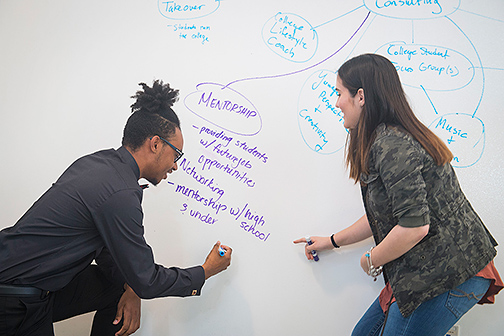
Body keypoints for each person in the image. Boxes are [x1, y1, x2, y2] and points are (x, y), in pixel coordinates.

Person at [0, 80, 232, 336]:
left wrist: (130, 286)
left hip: (28, 284)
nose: (175, 166)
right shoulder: (121, 193)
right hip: (14, 299)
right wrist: (205, 272)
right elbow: (147, 280)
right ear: (155, 144)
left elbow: (109, 249)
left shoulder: (99, 164)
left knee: (118, 286)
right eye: (176, 154)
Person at [294, 54, 502, 336]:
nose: (336, 102)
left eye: (339, 93)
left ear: (361, 96)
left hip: (450, 274)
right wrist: (332, 241)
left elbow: (414, 228)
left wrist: (371, 259)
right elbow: (386, 216)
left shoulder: (392, 144)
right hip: (424, 271)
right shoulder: (386, 139)